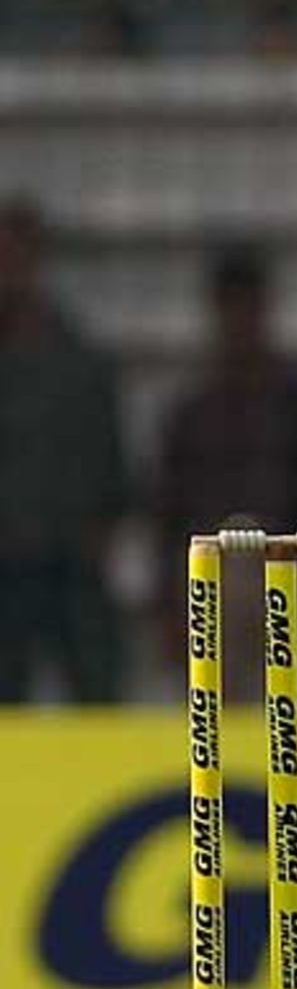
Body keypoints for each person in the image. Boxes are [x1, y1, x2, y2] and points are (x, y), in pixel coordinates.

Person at [150, 245, 297, 700]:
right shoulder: (192, 410)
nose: (240, 322)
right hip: (211, 584)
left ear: (265, 310)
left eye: (249, 308)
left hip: (293, 575)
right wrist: (167, 605)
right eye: (231, 309)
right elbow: (167, 514)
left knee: (295, 706)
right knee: (216, 712)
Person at [0, 198, 130, 702]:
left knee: (97, 689)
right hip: (3, 568)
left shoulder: (81, 362)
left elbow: (111, 462)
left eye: (17, 257)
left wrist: (98, 533)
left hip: (71, 566)